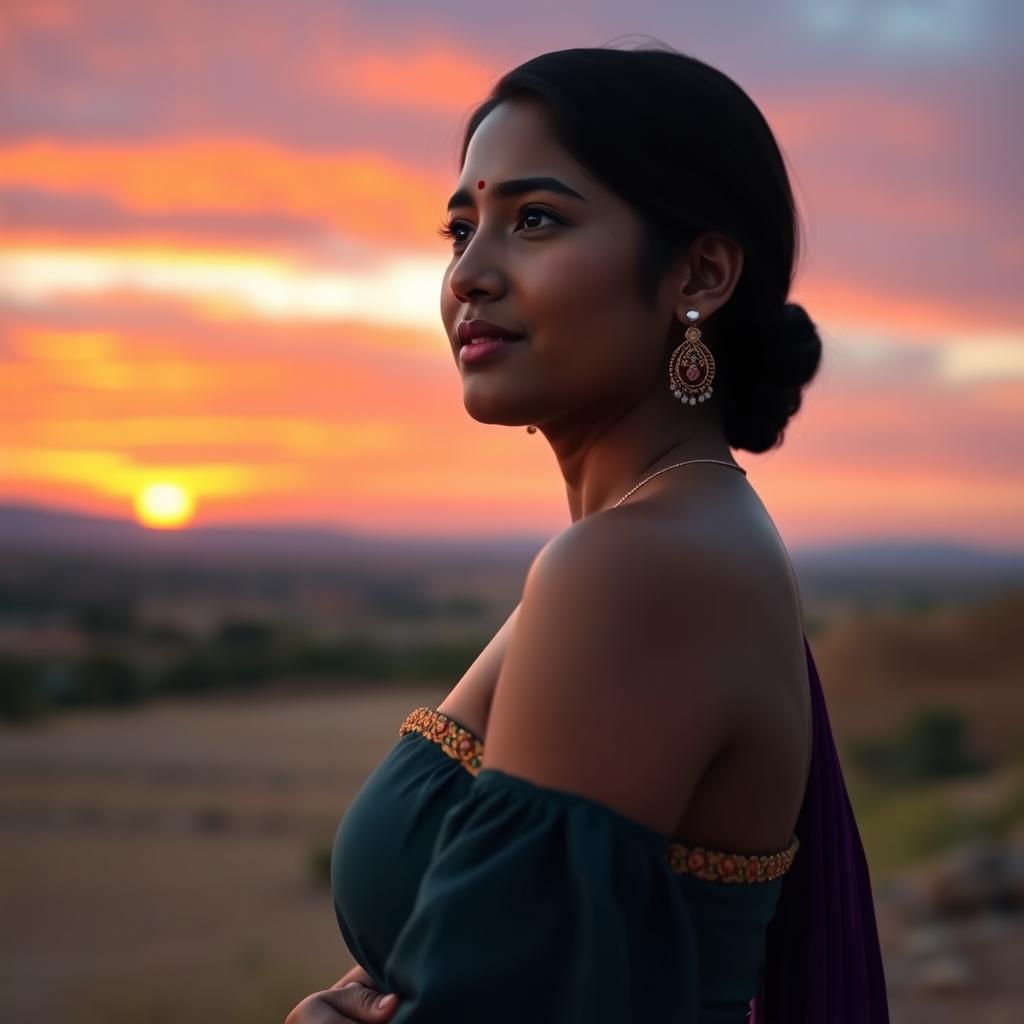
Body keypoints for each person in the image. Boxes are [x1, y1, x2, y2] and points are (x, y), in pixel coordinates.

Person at [286, 42, 889, 1024]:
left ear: (698, 272)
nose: (470, 275)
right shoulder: (666, 539)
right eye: (457, 230)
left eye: (534, 220)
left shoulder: (637, 566)